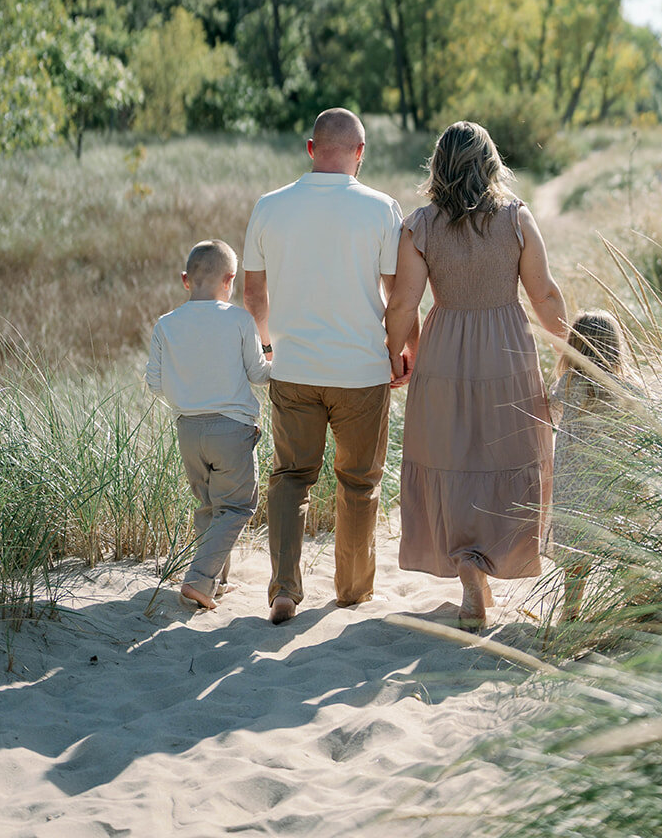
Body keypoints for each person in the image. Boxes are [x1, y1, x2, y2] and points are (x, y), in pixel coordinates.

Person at [384, 121, 568, 630]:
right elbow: (546, 295)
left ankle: (468, 565)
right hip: (505, 349)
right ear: (491, 163)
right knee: (506, 453)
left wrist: (391, 353)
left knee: (452, 456)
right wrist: (570, 350)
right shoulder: (515, 219)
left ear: (437, 166)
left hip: (444, 351)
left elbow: (403, 302)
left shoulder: (421, 225)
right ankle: (485, 557)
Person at [242, 108, 404, 623]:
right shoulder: (382, 208)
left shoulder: (269, 206)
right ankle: (353, 590)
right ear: (361, 154)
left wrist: (269, 347)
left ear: (311, 149)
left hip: (295, 369)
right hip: (362, 371)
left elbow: (252, 290)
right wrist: (401, 352)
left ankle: (285, 589)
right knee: (359, 482)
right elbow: (397, 296)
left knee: (291, 477)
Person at [145, 239, 270, 612]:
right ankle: (199, 581)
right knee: (236, 507)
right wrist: (278, 358)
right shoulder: (238, 319)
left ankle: (217, 580)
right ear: (229, 281)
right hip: (231, 428)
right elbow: (258, 374)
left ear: (186, 279)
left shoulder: (166, 324)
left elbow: (154, 383)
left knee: (210, 507)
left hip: (188, 431)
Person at [548, 310, 633, 621]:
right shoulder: (625, 388)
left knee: (577, 559)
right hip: (609, 481)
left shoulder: (568, 385)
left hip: (573, 485)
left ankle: (570, 611)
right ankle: (631, 604)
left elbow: (553, 413)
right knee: (621, 547)